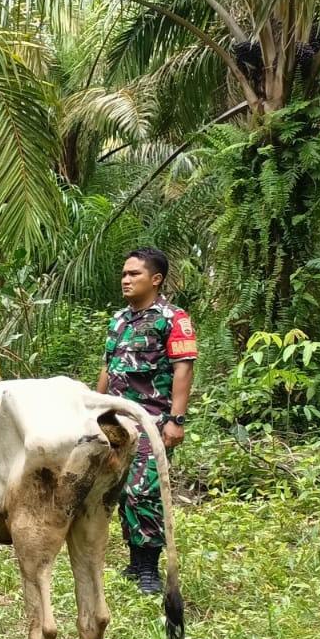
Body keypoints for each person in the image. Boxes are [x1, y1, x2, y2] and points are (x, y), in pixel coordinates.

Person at [96, 248, 196, 595]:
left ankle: (149, 569)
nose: (126, 280)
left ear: (156, 279)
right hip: (116, 422)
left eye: (134, 274)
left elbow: (184, 368)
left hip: (152, 421)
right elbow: (108, 368)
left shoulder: (172, 318)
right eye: (124, 274)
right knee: (122, 490)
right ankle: (135, 565)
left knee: (146, 492)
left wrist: (176, 420)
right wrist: (94, 410)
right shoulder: (119, 321)